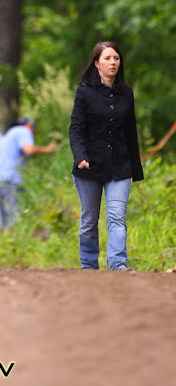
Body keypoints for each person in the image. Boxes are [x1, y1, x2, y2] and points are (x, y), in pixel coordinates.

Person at [69, 41, 144, 271]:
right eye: (107, 58)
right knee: (89, 221)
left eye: (116, 59)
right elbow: (76, 129)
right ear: (96, 63)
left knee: (117, 218)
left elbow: (130, 131)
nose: (113, 63)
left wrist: (136, 169)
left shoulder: (126, 94)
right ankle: (89, 267)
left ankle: (117, 265)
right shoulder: (84, 92)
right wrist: (80, 156)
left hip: (120, 165)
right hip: (88, 166)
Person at [0, 117, 56, 231]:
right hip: (10, 180)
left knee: (6, 222)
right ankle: (15, 245)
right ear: (29, 126)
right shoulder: (23, 131)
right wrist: (48, 150)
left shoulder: (6, 137)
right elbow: (29, 149)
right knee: (15, 219)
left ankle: (8, 245)